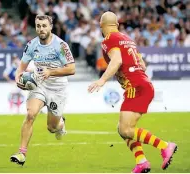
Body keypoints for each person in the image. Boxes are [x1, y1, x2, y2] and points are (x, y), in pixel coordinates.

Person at [88, 11, 177, 173]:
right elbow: (142, 65)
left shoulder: (108, 40)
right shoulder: (128, 40)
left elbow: (117, 60)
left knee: (125, 130)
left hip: (135, 87)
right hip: (143, 84)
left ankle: (164, 146)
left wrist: (102, 80)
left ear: (102, 26)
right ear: (117, 24)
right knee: (123, 129)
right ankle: (141, 161)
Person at [10, 15, 75, 166]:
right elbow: (22, 66)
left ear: (51, 27)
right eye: (38, 26)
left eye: (44, 26)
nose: (41, 29)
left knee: (52, 127)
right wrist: (18, 78)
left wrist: (50, 72)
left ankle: (60, 124)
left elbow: (72, 69)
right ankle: (22, 153)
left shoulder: (61, 45)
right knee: (30, 114)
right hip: (39, 84)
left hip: (58, 88)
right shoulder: (32, 45)